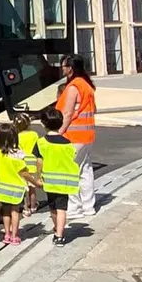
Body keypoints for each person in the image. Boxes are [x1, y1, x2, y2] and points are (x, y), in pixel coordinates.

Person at [55, 54, 97, 218]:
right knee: (85, 170)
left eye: (64, 66)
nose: (62, 69)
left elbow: (67, 113)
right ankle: (88, 206)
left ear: (70, 68)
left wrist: (60, 131)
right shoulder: (87, 85)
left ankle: (74, 207)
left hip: (73, 135)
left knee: (70, 171)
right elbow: (93, 109)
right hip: (87, 134)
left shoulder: (73, 87)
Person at [0, 123, 41, 246]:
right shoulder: (18, 154)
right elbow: (24, 173)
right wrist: (36, 183)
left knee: (5, 212)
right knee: (15, 212)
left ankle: (7, 234)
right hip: (16, 188)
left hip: (2, 188)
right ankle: (14, 236)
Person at [34, 107, 79, 246]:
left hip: (49, 181)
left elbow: (39, 162)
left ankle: (57, 230)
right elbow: (73, 157)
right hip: (65, 181)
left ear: (43, 124)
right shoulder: (68, 143)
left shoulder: (41, 142)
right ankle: (59, 234)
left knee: (53, 207)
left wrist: (38, 176)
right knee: (62, 209)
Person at [14, 113, 40, 216]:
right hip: (32, 161)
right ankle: (33, 206)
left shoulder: (17, 136)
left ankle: (25, 208)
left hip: (22, 161)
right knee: (32, 186)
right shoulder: (34, 134)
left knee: (24, 187)